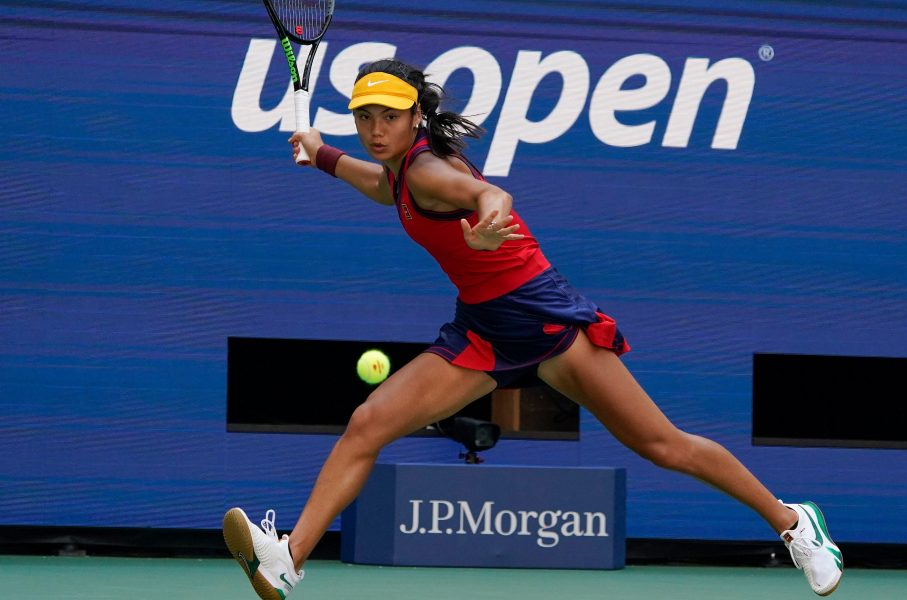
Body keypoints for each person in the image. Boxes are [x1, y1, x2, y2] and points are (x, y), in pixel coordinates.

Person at [222, 58, 844, 599]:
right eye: (365, 118)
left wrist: (491, 218)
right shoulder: (399, 172)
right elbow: (384, 190)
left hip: (542, 319)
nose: (375, 129)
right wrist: (324, 155)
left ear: (415, 117)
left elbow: (489, 194)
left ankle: (793, 523)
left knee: (661, 445)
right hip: (483, 329)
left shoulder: (427, 171)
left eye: (388, 116)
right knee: (367, 424)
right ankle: (288, 560)